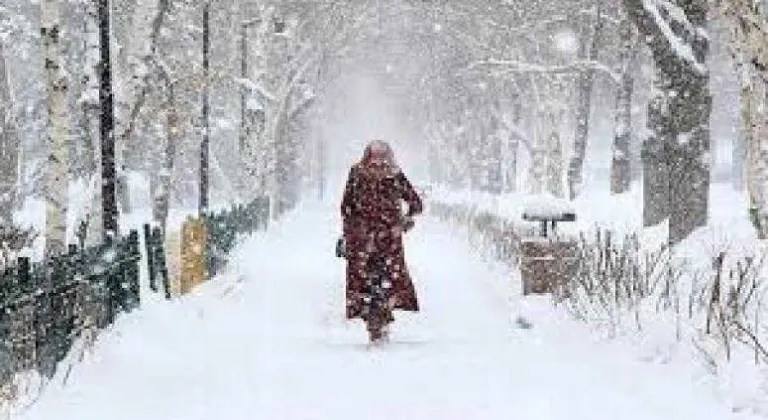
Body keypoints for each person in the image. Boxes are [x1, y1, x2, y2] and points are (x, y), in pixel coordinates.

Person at [340, 140, 423, 344]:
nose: (377, 164)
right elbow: (415, 202)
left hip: (364, 241)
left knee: (365, 282)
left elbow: (346, 207)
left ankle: (374, 320)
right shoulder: (393, 175)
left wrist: (351, 230)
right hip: (387, 241)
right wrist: (405, 220)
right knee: (388, 281)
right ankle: (380, 318)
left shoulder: (358, 173)